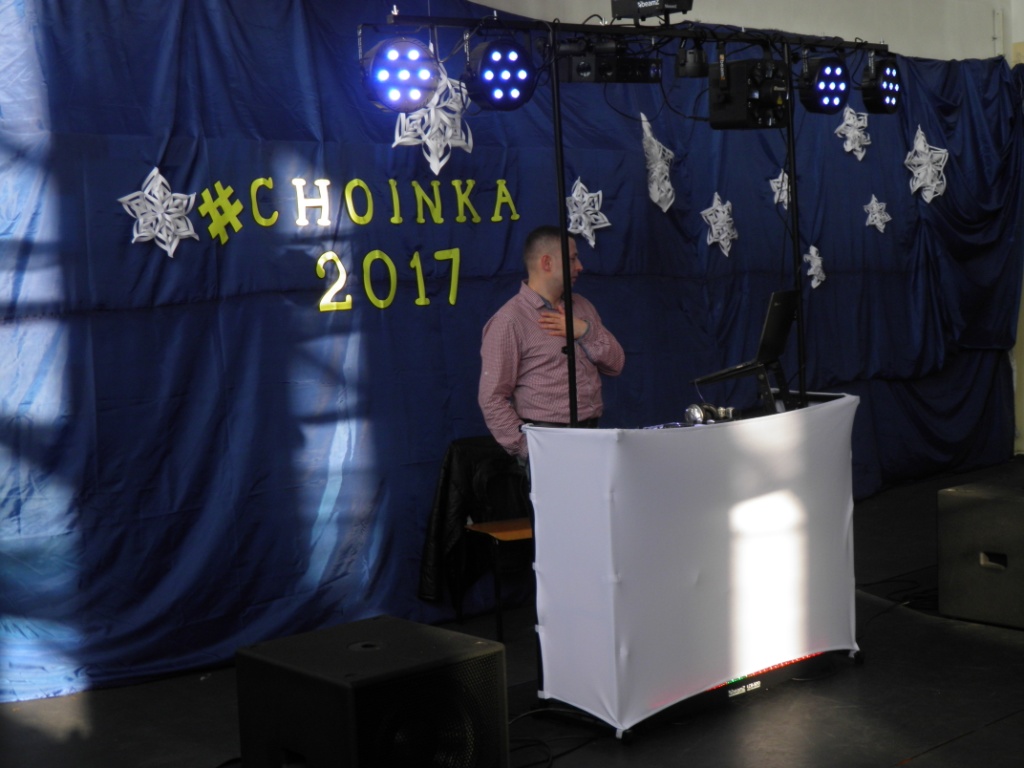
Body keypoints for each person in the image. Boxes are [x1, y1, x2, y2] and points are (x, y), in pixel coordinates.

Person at [478, 225, 625, 459]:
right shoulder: (510, 320)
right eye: (573, 259)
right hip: (548, 440)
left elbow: (616, 364)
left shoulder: (583, 307)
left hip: (594, 435)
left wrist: (584, 331)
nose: (580, 266)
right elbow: (491, 398)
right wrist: (528, 449)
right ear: (547, 263)